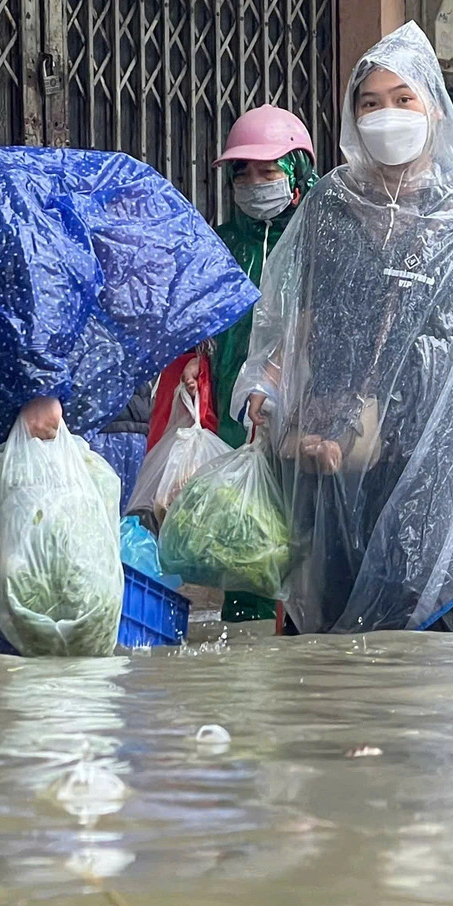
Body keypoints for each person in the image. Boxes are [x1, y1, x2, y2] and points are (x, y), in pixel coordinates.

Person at [0, 90, 257, 648]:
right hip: (71, 415)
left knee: (40, 619)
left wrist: (40, 386)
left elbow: (35, 270)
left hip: (60, 418)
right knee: (25, 602)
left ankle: (45, 725)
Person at [234, 23, 453, 634]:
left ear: (433, 109)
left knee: (420, 633)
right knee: (325, 641)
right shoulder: (327, 207)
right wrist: (265, 389)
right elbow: (290, 320)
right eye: (370, 103)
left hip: (434, 464)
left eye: (403, 100)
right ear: (353, 118)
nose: (387, 115)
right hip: (330, 452)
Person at [149, 105, 319, 623]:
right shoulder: (220, 245)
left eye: (267, 171)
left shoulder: (321, 242)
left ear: (297, 173)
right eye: (242, 172)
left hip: (307, 419)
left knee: (310, 548)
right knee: (248, 544)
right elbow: (197, 329)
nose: (252, 182)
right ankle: (248, 662)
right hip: (231, 417)